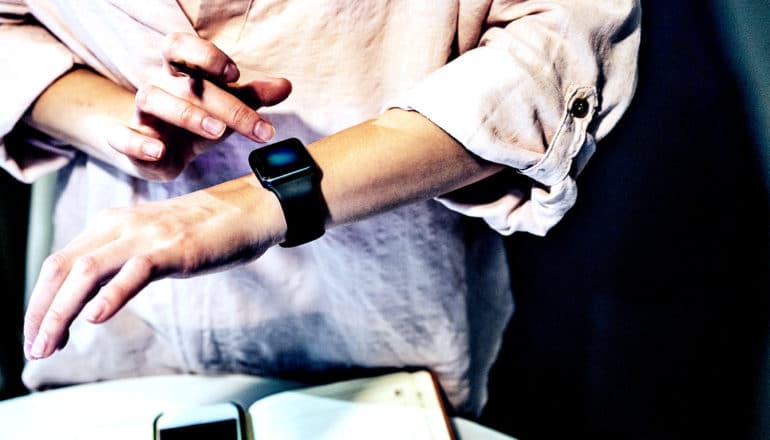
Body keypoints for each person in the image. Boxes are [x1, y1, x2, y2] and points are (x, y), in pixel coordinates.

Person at [0, 0, 641, 417]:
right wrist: (121, 123)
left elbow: (550, 54)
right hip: (114, 338)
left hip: (379, 345)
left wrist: (268, 198)